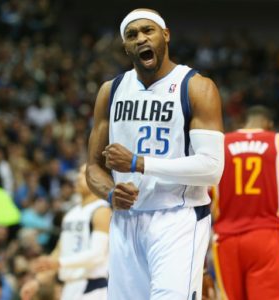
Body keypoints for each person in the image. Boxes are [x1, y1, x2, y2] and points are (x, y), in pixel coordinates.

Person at [86, 8, 224, 300]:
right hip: (126, 219)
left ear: (165, 35)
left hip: (178, 217)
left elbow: (212, 168)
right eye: (131, 35)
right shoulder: (111, 91)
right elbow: (93, 168)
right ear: (125, 46)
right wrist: (111, 194)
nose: (140, 39)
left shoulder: (196, 87)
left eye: (148, 31)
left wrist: (139, 163)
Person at [212, 106, 279, 300]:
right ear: (270, 125)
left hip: (225, 242)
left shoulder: (216, 146)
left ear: (241, 124)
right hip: (267, 238)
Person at [20, 164, 111, 300]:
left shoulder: (102, 211)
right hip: (69, 287)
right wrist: (37, 282)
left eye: (84, 174)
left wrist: (60, 263)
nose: (78, 177)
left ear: (99, 179)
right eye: (79, 173)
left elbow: (97, 255)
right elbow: (59, 252)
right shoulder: (71, 214)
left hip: (94, 287)